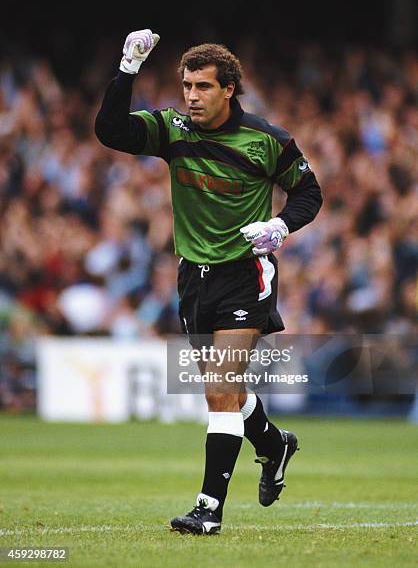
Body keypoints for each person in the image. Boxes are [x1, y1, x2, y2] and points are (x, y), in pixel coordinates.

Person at [95, 29, 323, 535]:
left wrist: (281, 225)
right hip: (192, 277)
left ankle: (208, 510)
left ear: (229, 90)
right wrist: (127, 69)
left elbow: (310, 194)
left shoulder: (269, 140)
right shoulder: (174, 130)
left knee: (219, 389)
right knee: (228, 392)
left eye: (202, 87)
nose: (192, 97)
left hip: (246, 272)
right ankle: (273, 444)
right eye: (186, 86)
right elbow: (110, 131)